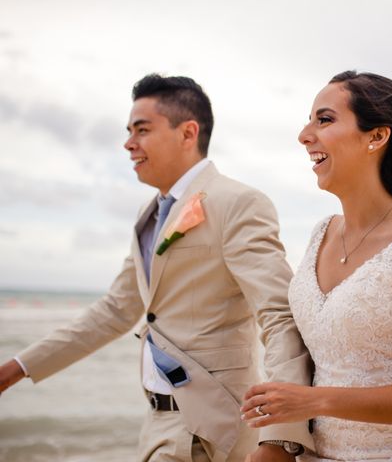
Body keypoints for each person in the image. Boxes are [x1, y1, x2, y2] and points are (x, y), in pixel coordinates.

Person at [0, 74, 314, 462]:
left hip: (209, 426)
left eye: (142, 130)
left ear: (188, 133)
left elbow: (278, 316)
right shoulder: (148, 217)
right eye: (129, 131)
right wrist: (15, 368)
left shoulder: (238, 202)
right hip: (155, 425)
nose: (129, 143)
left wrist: (280, 437)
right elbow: (116, 311)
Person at [240, 71, 392, 461]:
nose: (304, 134)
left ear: (377, 137)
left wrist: (314, 401)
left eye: (324, 119)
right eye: (309, 119)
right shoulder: (322, 234)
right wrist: (278, 442)